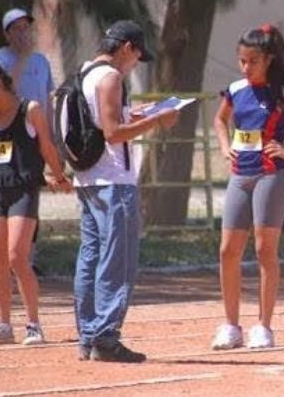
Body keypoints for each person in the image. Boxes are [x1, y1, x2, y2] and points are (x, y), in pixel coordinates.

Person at [211, 24, 284, 350]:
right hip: (240, 174)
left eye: (252, 61)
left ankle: (263, 326)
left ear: (268, 60)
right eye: (241, 60)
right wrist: (224, 148)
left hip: (271, 175)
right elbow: (220, 120)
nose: (245, 67)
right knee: (228, 250)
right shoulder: (236, 90)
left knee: (265, 249)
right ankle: (231, 326)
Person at [73, 20, 178, 363]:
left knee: (90, 257)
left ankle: (89, 336)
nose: (135, 64)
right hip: (114, 180)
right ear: (127, 48)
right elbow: (114, 133)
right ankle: (106, 337)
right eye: (136, 56)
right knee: (118, 261)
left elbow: (102, 119)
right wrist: (157, 121)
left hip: (88, 179)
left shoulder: (85, 73)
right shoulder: (112, 78)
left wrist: (142, 113)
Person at [0, 61, 71, 346]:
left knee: (16, 257)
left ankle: (34, 325)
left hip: (23, 191)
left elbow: (46, 147)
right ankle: (3, 326)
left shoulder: (30, 109)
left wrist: (59, 176)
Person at [0, 8, 56, 277]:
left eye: (26, 27)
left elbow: (48, 101)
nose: (23, 33)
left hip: (33, 135)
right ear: (7, 33)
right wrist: (21, 57)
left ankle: (27, 257)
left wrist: (52, 138)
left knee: (30, 191)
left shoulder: (42, 62)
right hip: (4, 134)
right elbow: (4, 87)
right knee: (0, 187)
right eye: (17, 28)